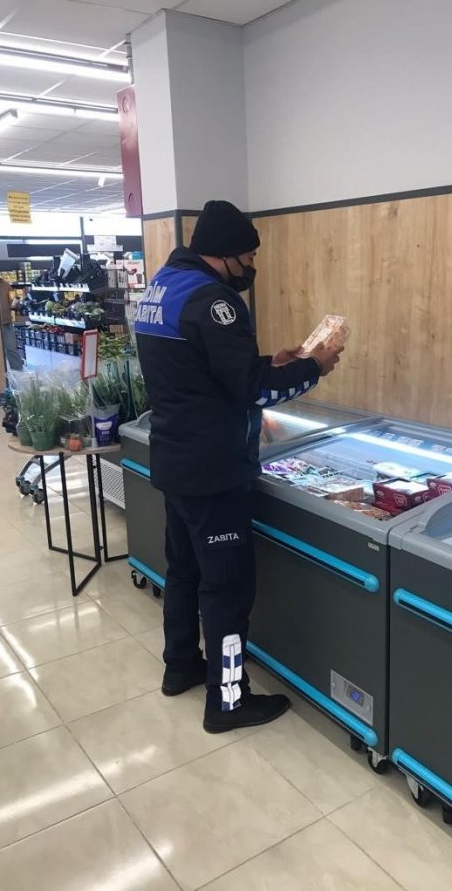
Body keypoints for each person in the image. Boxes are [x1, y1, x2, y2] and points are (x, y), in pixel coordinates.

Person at [135, 200, 343, 733]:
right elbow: (252, 390)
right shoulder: (215, 300)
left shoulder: (163, 287)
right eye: (248, 257)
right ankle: (228, 700)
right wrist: (312, 368)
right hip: (214, 473)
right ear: (226, 253)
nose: (251, 266)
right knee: (226, 590)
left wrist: (271, 361)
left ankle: (180, 666)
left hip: (176, 461)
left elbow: (205, 369)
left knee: (183, 571)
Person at [0, 277, 23, 371]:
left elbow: (13, 303)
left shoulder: (5, 285)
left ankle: (18, 373)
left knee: (11, 349)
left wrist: (17, 303)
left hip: (5, 322)